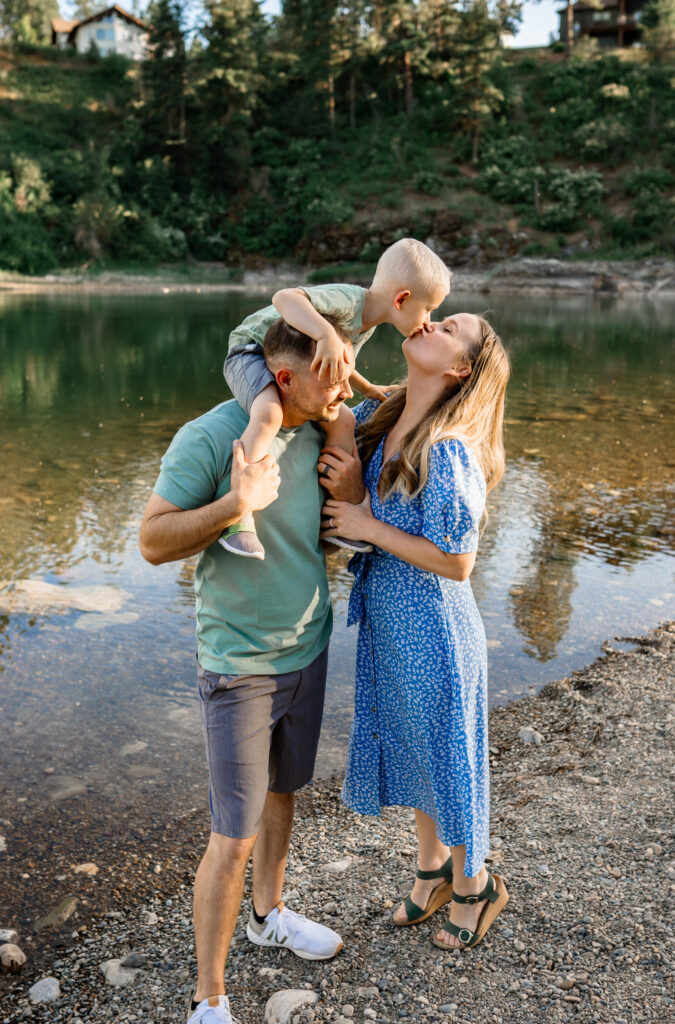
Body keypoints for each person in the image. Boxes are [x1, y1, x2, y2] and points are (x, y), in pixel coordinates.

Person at [139, 317, 361, 1024]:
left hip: (309, 646)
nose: (344, 390)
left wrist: (350, 480)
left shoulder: (325, 426)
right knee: (230, 835)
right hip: (239, 664)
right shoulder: (212, 438)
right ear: (283, 377)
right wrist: (237, 504)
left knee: (284, 793)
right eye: (331, 379)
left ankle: (269, 915)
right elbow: (150, 541)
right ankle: (208, 997)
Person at [321, 313, 511, 951]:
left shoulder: (448, 445)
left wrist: (366, 526)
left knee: (448, 759)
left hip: (435, 628)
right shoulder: (395, 418)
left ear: (460, 369)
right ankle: (431, 873)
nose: (432, 320)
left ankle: (476, 885)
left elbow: (457, 562)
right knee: (414, 750)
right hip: (392, 621)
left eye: (450, 326)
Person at [221, 238, 451, 559]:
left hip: (291, 363)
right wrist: (325, 333)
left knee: (344, 419)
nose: (428, 321)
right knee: (269, 413)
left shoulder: (366, 324)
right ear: (401, 299)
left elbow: (340, 363)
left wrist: (367, 388)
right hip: (252, 351)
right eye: (428, 310)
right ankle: (239, 512)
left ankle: (335, 515)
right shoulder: (349, 302)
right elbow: (285, 297)